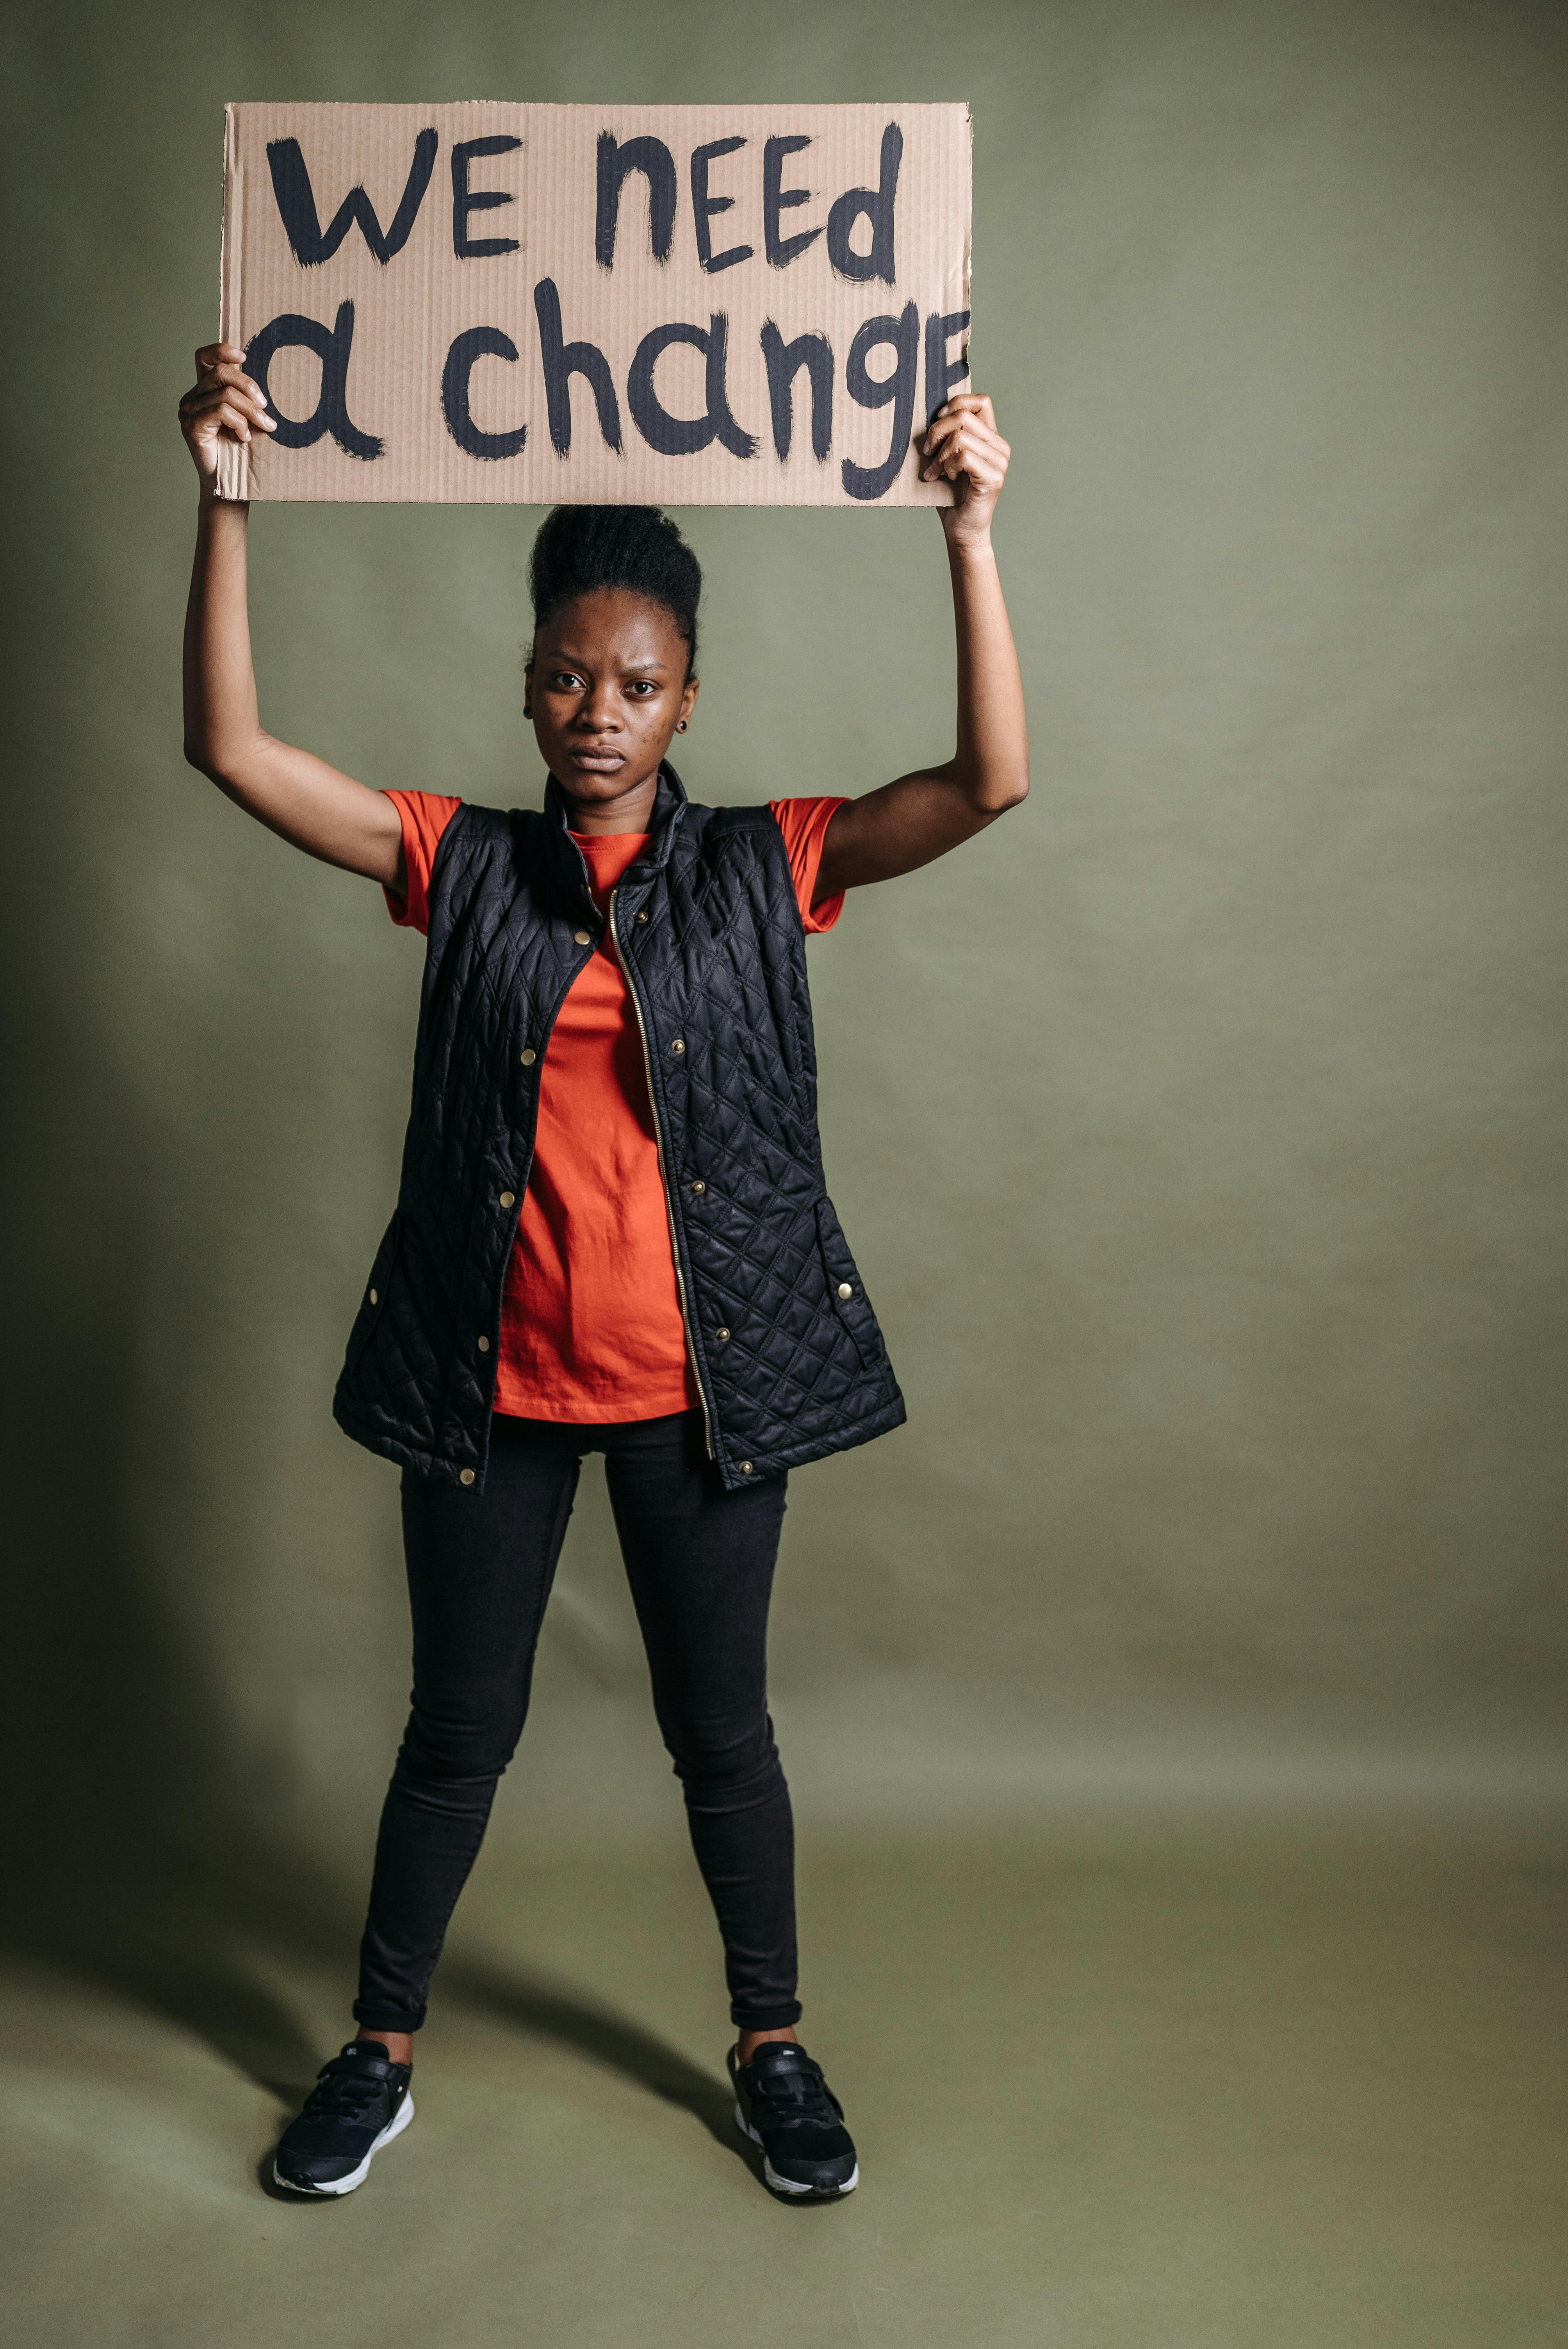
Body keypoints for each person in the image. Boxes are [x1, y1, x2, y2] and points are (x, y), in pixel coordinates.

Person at [177, 342, 1026, 2202]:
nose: (597, 707)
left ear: (688, 694)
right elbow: (231, 753)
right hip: (487, 1390)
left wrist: (967, 531)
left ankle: (772, 2047)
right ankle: (375, 2052)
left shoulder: (765, 863)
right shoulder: (458, 866)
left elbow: (986, 781)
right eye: (567, 673)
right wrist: (228, 496)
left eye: (636, 681)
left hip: (703, 1397)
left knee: (721, 1737)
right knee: (452, 1736)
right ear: (530, 681)